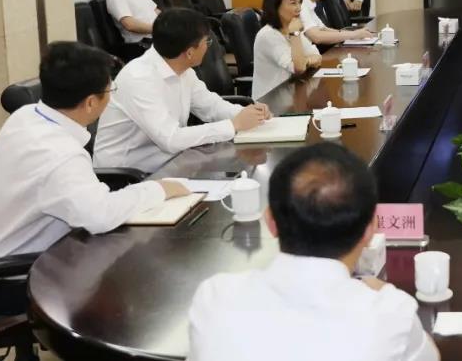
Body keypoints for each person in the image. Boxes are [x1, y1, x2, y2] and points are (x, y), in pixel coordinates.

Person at [188, 143, 439, 361]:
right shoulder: (391, 313)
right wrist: (383, 290)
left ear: (270, 222)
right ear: (371, 229)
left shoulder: (215, 298)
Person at [0, 42, 189, 261]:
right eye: (109, 90)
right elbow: (101, 216)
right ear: (90, 103)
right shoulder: (60, 154)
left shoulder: (25, 115)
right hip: (19, 270)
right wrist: (159, 189)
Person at [93, 7, 271, 173]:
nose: (208, 46)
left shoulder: (183, 69)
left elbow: (211, 106)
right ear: (189, 52)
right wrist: (233, 125)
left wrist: (247, 114)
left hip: (168, 163)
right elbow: (171, 139)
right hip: (127, 175)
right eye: (207, 41)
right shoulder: (139, 78)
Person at [253, 0, 323, 100]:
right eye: (293, 3)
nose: (299, 8)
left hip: (291, 94)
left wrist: (305, 60)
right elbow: (299, 68)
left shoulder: (290, 27)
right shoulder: (268, 35)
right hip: (270, 102)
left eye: (299, 3)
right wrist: (295, 34)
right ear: (275, 6)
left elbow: (317, 57)